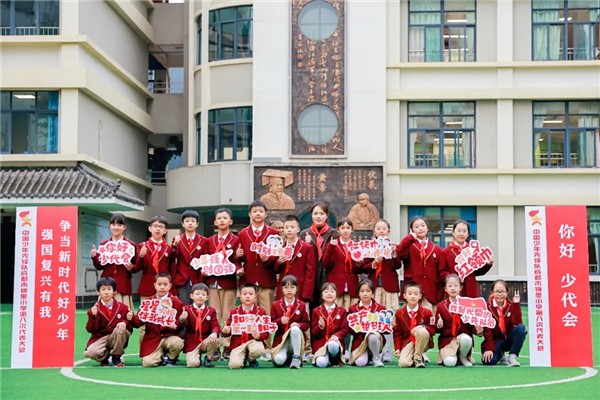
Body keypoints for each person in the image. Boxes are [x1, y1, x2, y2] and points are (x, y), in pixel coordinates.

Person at [353, 219, 401, 362]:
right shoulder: (369, 247)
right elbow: (362, 267)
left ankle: (388, 350)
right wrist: (373, 264)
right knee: (375, 318)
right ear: (374, 231)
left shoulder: (393, 246)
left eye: (384, 228)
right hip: (374, 287)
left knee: (389, 319)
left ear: (388, 231)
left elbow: (398, 265)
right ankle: (376, 350)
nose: (381, 231)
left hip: (389, 287)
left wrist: (394, 254)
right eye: (378, 228)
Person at [204, 207, 242, 361]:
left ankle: (227, 346)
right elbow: (205, 259)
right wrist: (204, 270)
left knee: (228, 315)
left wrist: (238, 269)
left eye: (225, 218)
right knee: (215, 314)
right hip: (213, 282)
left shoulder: (236, 240)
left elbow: (238, 261)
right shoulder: (209, 241)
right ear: (215, 222)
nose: (222, 220)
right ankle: (214, 347)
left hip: (229, 282)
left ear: (230, 221)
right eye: (219, 218)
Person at [235, 200, 281, 314]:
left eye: (261, 211)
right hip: (248, 280)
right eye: (255, 211)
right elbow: (238, 259)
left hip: (266, 279)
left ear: (266, 214)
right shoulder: (242, 233)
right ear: (249, 214)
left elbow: (277, 256)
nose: (258, 214)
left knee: (267, 313)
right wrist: (238, 256)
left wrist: (267, 259)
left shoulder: (274, 233)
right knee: (248, 314)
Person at [131, 273, 185, 367]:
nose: (162, 287)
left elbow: (182, 326)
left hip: (169, 336)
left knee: (178, 343)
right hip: (153, 338)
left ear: (170, 286)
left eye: (165, 284)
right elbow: (138, 323)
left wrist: (180, 321)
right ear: (155, 285)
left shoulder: (176, 302)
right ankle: (161, 357)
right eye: (159, 284)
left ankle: (171, 357)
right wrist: (131, 317)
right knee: (148, 363)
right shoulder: (148, 302)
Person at [90, 213, 137, 311]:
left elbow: (136, 265)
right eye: (113, 224)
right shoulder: (104, 245)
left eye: (119, 225)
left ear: (124, 227)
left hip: (123, 283)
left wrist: (131, 268)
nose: (116, 227)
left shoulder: (130, 245)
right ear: (110, 226)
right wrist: (94, 257)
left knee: (123, 313)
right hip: (106, 283)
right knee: (104, 313)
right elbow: (99, 266)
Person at [397, 216, 444, 314]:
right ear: (412, 230)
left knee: (428, 318)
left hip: (430, 291)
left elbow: (440, 272)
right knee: (409, 318)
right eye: (417, 227)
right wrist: (410, 237)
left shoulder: (436, 249)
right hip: (412, 290)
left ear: (427, 228)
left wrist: (440, 293)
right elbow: (400, 253)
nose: (420, 229)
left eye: (423, 226)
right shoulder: (409, 245)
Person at [83, 277, 134, 367]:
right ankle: (105, 357)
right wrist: (93, 316)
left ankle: (116, 356)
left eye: (109, 289)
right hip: (101, 337)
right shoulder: (95, 309)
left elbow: (132, 325)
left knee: (120, 328)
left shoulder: (122, 307)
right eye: (103, 289)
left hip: (116, 335)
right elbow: (90, 329)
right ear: (98, 292)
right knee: (90, 353)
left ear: (114, 292)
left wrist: (126, 322)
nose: (106, 292)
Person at [435, 274, 482, 367]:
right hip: (448, 341)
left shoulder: (468, 304)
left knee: (466, 339)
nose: (453, 288)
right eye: (450, 286)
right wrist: (439, 325)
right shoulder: (441, 306)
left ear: (461, 288)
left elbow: (471, 326)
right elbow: (437, 330)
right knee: (450, 363)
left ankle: (463, 357)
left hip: (463, 338)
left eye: (456, 286)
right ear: (445, 289)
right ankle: (452, 356)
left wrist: (479, 331)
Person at [221, 283, 270, 369]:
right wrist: (225, 331)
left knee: (258, 350)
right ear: (240, 297)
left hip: (253, 340)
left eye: (250, 294)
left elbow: (266, 332)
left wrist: (259, 336)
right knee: (235, 365)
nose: (247, 296)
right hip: (238, 342)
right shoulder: (234, 311)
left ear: (255, 297)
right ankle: (242, 358)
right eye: (244, 294)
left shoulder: (261, 312)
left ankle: (250, 359)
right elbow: (228, 328)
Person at [440, 220, 493, 298]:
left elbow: (477, 271)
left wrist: (487, 264)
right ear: (453, 232)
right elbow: (442, 272)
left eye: (464, 231)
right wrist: (453, 279)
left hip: (471, 289)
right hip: (454, 290)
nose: (461, 234)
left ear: (468, 234)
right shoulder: (445, 252)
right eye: (459, 231)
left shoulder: (473, 250)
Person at [481, 280, 527, 367]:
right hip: (496, 341)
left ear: (507, 292)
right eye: (497, 291)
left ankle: (512, 357)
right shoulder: (487, 307)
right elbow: (487, 331)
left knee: (521, 328)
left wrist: (516, 304)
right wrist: (489, 348)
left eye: (502, 291)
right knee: (489, 361)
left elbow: (518, 322)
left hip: (508, 339)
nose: (500, 294)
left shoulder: (511, 305)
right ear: (492, 292)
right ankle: (501, 355)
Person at [300, 202, 336, 310]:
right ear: (311, 215)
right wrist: (306, 244)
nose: (318, 216)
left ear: (327, 215)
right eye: (315, 213)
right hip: (310, 277)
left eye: (321, 213)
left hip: (327, 275)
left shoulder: (333, 233)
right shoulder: (304, 234)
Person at [270, 275, 310, 369]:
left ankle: (296, 357)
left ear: (296, 289)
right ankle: (288, 357)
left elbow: (306, 324)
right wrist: (280, 321)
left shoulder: (301, 305)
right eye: (286, 287)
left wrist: (298, 325)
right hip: (282, 341)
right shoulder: (275, 305)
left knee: (295, 329)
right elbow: (271, 324)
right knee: (279, 361)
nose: (289, 290)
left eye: (292, 287)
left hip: (296, 339)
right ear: (282, 289)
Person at [274, 214, 316, 303]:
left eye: (292, 227)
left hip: (299, 287)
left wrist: (306, 294)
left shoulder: (306, 247)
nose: (289, 230)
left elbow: (310, 272)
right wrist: (279, 262)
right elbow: (276, 269)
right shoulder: (281, 246)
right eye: (286, 227)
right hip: (283, 287)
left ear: (298, 229)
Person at [393, 281, 435, 368]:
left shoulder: (427, 312)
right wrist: (397, 349)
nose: (413, 296)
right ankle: (415, 355)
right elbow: (397, 333)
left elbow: (433, 330)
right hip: (408, 342)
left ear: (420, 296)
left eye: (416, 294)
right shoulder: (399, 313)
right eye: (410, 294)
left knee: (422, 331)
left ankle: (418, 358)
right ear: (404, 296)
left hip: (423, 341)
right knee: (404, 364)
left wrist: (422, 326)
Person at [171, 210, 208, 305]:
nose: (190, 223)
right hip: (182, 277)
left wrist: (204, 270)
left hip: (197, 278)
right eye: (187, 221)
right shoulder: (178, 239)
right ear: (183, 224)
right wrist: (174, 245)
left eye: (193, 221)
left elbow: (205, 258)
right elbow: (173, 257)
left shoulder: (203, 240)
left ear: (197, 224)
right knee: (183, 305)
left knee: (197, 306)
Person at [322, 218, 360, 309]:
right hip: (336, 286)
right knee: (336, 312)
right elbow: (326, 264)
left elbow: (358, 268)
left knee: (351, 311)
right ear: (338, 230)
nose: (345, 231)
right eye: (343, 228)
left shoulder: (356, 246)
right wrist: (331, 247)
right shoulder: (332, 245)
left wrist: (360, 261)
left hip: (351, 285)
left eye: (348, 228)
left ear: (352, 229)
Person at [180, 283, 220, 368]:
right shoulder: (186, 309)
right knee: (193, 364)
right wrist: (182, 319)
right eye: (197, 294)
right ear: (191, 296)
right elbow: (183, 326)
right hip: (192, 341)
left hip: (206, 340)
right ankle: (196, 356)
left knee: (215, 339)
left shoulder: (211, 310)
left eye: (203, 294)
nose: (200, 296)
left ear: (207, 297)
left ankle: (209, 358)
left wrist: (214, 333)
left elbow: (215, 325)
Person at [347, 279, 386, 367]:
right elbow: (350, 330)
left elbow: (385, 330)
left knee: (372, 335)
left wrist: (388, 323)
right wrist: (356, 326)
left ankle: (376, 357)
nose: (365, 294)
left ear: (372, 293)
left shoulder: (380, 308)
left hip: (375, 339)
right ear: (358, 293)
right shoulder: (353, 309)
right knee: (360, 363)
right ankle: (369, 356)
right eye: (362, 291)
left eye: (368, 291)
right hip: (360, 341)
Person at [311, 282, 349, 368]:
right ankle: (326, 359)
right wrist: (320, 327)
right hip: (321, 344)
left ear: (336, 294)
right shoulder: (316, 311)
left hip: (335, 343)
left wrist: (336, 336)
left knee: (333, 344)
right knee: (321, 363)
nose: (329, 294)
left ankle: (334, 358)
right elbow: (313, 332)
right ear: (322, 295)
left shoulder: (342, 311)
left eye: (332, 291)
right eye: (326, 291)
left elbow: (345, 329)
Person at [135, 216, 172, 300]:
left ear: (165, 230)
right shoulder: (143, 246)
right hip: (147, 285)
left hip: (164, 287)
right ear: (150, 228)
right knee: (147, 307)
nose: (158, 229)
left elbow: (171, 268)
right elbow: (137, 267)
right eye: (155, 226)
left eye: (161, 227)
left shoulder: (168, 248)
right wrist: (141, 256)